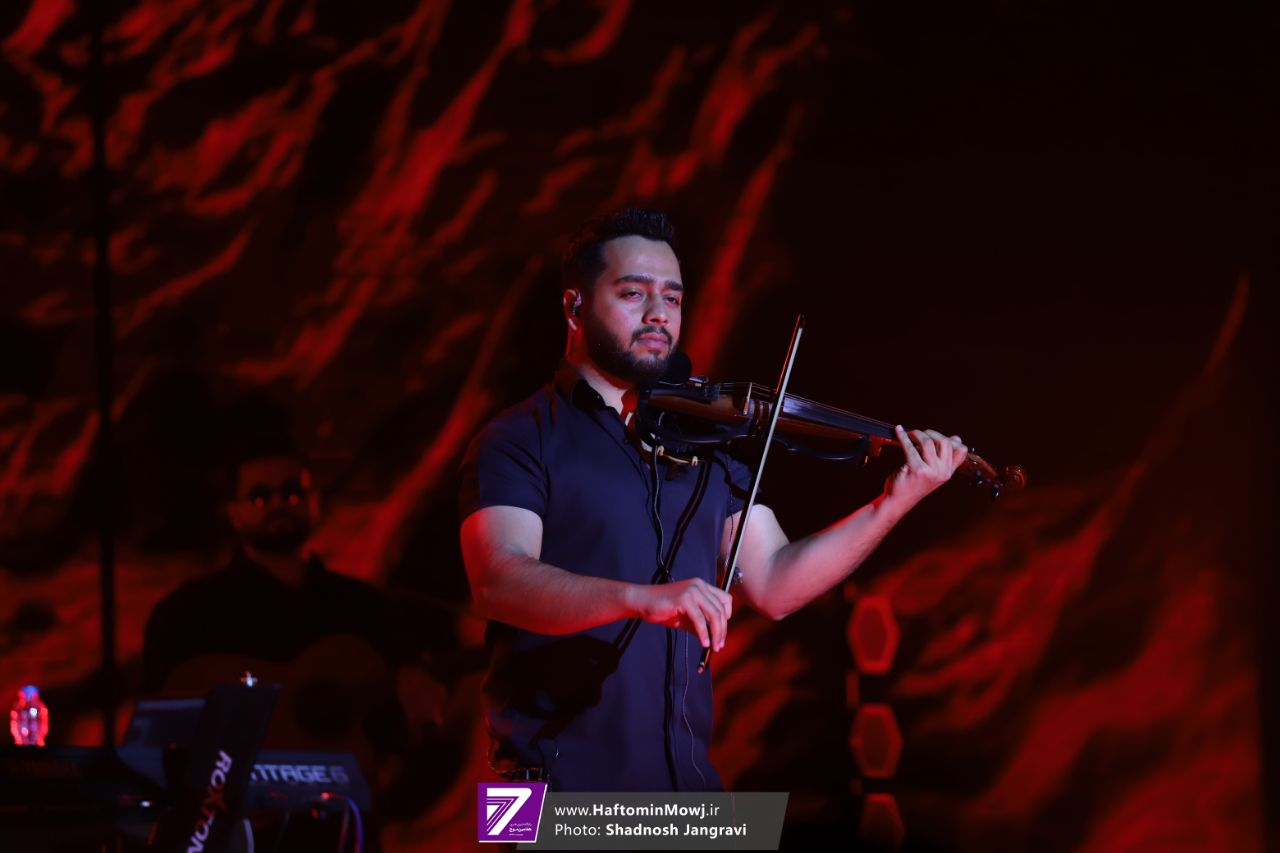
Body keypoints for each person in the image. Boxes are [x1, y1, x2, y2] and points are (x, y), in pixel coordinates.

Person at [458, 208, 969, 792]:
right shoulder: (519, 437)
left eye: (673, 298)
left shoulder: (699, 444)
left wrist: (893, 504)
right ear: (574, 307)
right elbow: (497, 581)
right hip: (541, 794)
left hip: (688, 789)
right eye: (633, 293)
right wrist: (640, 599)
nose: (659, 313)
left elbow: (774, 585)